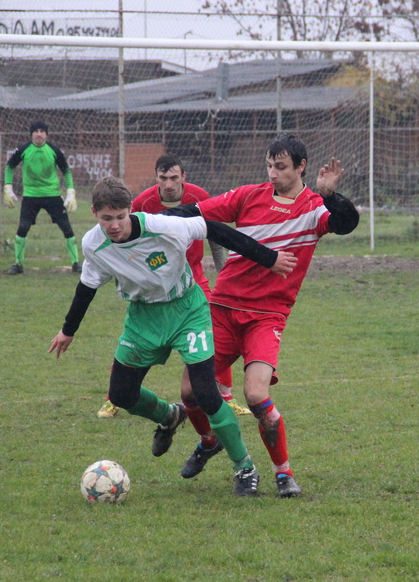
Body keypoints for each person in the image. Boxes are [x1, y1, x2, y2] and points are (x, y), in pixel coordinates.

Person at [49, 176, 296, 496]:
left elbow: (215, 229)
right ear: (95, 213)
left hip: (187, 312)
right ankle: (170, 415)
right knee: (122, 394)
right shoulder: (93, 244)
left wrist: (269, 258)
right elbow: (88, 286)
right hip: (143, 318)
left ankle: (244, 467)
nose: (114, 225)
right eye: (106, 218)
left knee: (207, 393)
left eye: (120, 217)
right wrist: (68, 330)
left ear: (130, 210)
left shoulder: (163, 226)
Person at [172, 133, 359, 498]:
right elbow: (193, 215)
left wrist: (330, 194)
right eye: (269, 165)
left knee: (256, 396)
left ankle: (283, 473)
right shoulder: (247, 196)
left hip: (266, 317)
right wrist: (139, 222)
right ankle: (210, 441)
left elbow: (347, 222)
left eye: (281, 167)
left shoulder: (315, 208)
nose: (272, 173)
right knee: (189, 391)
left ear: (301, 167)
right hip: (223, 308)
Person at [96, 153, 250, 419]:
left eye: (174, 178)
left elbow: (213, 233)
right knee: (132, 338)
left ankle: (225, 395)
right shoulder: (144, 202)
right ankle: (114, 398)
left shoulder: (200, 195)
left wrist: (222, 270)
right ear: (157, 177)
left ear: (183, 177)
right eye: (163, 177)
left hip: (194, 277)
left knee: (214, 331)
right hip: (154, 282)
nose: (168, 184)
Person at [3, 120, 81, 274]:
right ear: (31, 134)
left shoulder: (53, 150)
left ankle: (76, 263)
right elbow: (9, 166)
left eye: (42, 131)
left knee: (67, 228)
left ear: (46, 134)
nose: (39, 134)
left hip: (52, 195)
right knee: (23, 228)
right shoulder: (24, 149)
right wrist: (8, 188)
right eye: (36, 131)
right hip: (31, 196)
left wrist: (71, 192)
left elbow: (66, 171)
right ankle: (18, 264)